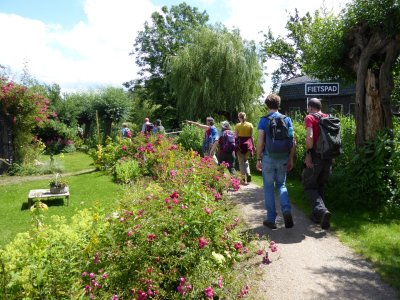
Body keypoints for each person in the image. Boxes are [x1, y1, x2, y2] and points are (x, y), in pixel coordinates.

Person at [256, 93, 295, 229]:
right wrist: (290, 158)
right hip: (283, 157)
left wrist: (258, 158)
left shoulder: (264, 120)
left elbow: (260, 141)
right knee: (281, 185)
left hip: (268, 158)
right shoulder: (287, 119)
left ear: (267, 105)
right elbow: (293, 142)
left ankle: (271, 219)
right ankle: (286, 210)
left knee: (268, 187)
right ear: (279, 104)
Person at [302, 98, 332, 230]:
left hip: (316, 156)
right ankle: (318, 217)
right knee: (320, 186)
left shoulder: (310, 117)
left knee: (309, 185)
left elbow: (309, 137)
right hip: (328, 157)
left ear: (310, 107)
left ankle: (321, 211)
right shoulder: (329, 117)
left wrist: (308, 154)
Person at [235, 112, 255, 185]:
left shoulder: (237, 125)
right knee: (245, 161)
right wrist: (253, 147)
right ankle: (248, 174)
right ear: (245, 117)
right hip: (248, 145)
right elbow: (252, 137)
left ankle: (243, 179)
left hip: (240, 145)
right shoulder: (250, 125)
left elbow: (236, 137)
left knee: (241, 163)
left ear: (239, 117)